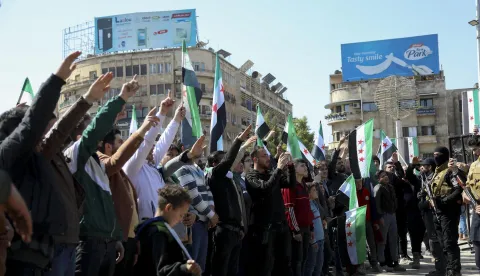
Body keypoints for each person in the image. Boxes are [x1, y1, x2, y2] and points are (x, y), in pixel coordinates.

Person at [0, 52, 80, 274]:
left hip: (43, 258)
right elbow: (30, 126)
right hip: (22, 258)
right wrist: (56, 80)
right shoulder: (8, 153)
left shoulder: (35, 158)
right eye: (41, 130)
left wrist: (88, 99)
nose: (43, 135)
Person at [64, 74, 141, 275]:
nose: (99, 133)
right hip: (88, 243)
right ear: (80, 134)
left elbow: (107, 206)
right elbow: (97, 128)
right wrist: (121, 97)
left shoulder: (96, 162)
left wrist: (114, 238)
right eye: (90, 127)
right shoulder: (75, 154)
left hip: (106, 244)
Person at [97, 109, 160, 276]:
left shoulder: (121, 174)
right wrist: (146, 127)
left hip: (129, 240)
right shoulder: (102, 167)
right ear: (108, 146)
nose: (123, 144)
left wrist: (135, 238)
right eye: (119, 142)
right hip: (112, 240)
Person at [123, 92, 185, 221]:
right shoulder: (132, 167)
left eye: (153, 148)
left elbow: (164, 141)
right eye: (150, 148)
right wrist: (161, 113)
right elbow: (147, 142)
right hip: (143, 225)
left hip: (161, 223)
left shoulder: (152, 166)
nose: (153, 150)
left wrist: (176, 119)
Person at [207, 126, 252, 276]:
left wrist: (240, 228)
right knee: (221, 270)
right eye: (224, 160)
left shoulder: (230, 179)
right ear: (215, 164)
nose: (230, 162)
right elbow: (228, 161)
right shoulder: (216, 176)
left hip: (235, 233)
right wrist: (238, 141)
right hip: (223, 232)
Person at [245, 149, 296, 276]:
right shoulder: (251, 176)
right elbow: (265, 189)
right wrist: (278, 169)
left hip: (281, 226)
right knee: (265, 266)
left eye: (268, 155)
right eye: (264, 156)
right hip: (264, 229)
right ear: (255, 159)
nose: (268, 158)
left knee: (284, 264)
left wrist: (290, 166)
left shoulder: (271, 173)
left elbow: (290, 183)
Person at [134, 185, 202, 276]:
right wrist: (185, 268)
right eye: (181, 215)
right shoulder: (158, 234)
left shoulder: (158, 228)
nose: (181, 220)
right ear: (169, 208)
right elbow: (161, 270)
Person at [174, 136, 218, 271]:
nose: (201, 147)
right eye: (197, 144)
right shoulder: (182, 168)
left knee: (201, 267)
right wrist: (211, 214)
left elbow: (207, 189)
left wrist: (211, 208)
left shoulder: (197, 168)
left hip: (203, 222)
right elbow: (193, 196)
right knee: (192, 267)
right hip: (193, 225)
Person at [428, 146, 465, 276]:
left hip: (448, 212)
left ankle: (454, 271)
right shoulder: (437, 173)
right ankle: (445, 269)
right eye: (434, 154)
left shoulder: (449, 172)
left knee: (449, 243)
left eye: (438, 155)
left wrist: (444, 201)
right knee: (442, 243)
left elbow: (459, 189)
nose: (435, 157)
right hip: (438, 212)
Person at [283, 159, 314, 276]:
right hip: (297, 230)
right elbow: (289, 209)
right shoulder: (290, 186)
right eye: (302, 165)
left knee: (304, 258)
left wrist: (311, 227)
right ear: (294, 169)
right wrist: (295, 230)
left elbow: (307, 208)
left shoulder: (304, 185)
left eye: (306, 165)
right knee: (297, 261)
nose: (305, 167)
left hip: (306, 228)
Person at [417, 157, 446, 276]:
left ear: (430, 167)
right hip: (426, 214)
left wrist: (426, 202)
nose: (421, 168)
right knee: (432, 241)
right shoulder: (424, 178)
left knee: (436, 242)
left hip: (433, 213)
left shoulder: (433, 178)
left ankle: (441, 269)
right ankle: (439, 268)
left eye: (424, 166)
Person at [374, 170, 406, 272]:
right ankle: (382, 263)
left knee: (393, 239)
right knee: (382, 241)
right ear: (379, 179)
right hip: (384, 216)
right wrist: (380, 217)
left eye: (386, 175)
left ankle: (395, 262)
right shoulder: (378, 188)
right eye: (383, 176)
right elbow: (376, 204)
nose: (386, 177)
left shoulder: (390, 187)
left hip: (392, 215)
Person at [404, 157, 427, 269]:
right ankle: (416, 257)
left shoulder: (430, 178)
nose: (422, 167)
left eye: (425, 166)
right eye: (421, 166)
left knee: (423, 233)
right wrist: (413, 165)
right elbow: (408, 174)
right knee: (414, 234)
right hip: (414, 211)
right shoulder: (417, 180)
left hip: (426, 211)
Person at [463, 138, 480, 272]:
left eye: (475, 149)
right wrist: (466, 196)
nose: (474, 153)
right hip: (477, 209)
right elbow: (468, 187)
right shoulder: (474, 165)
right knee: (476, 242)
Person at [303, 183, 325, 276]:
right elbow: (309, 225)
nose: (316, 192)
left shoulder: (314, 202)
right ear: (308, 193)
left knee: (319, 267)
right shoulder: (307, 205)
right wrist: (313, 241)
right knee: (311, 266)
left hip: (321, 239)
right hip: (314, 242)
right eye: (314, 190)